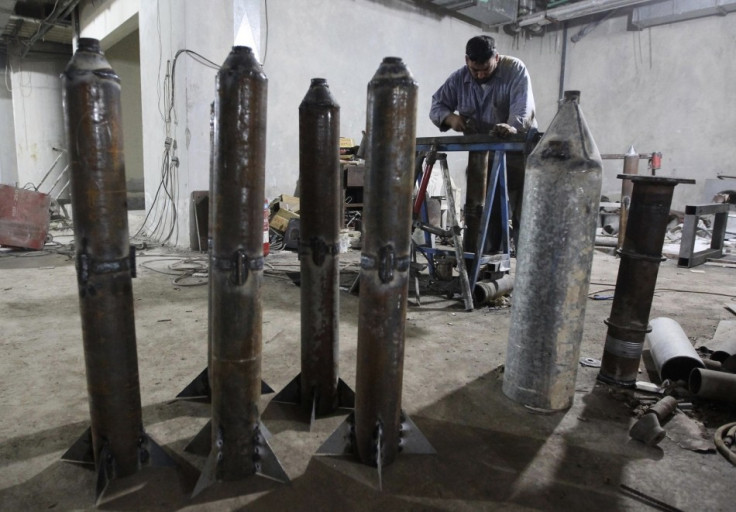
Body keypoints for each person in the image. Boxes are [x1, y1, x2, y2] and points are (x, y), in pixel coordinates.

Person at [430, 35, 536, 254]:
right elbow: (437, 105)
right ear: (467, 60)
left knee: (524, 213)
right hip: (483, 155)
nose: (479, 75)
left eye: (485, 70)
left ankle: (528, 269)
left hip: (517, 152)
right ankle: (487, 265)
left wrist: (511, 126)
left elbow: (523, 107)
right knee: (482, 212)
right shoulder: (459, 78)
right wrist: (451, 119)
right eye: (474, 70)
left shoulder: (514, 69)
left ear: (496, 58)